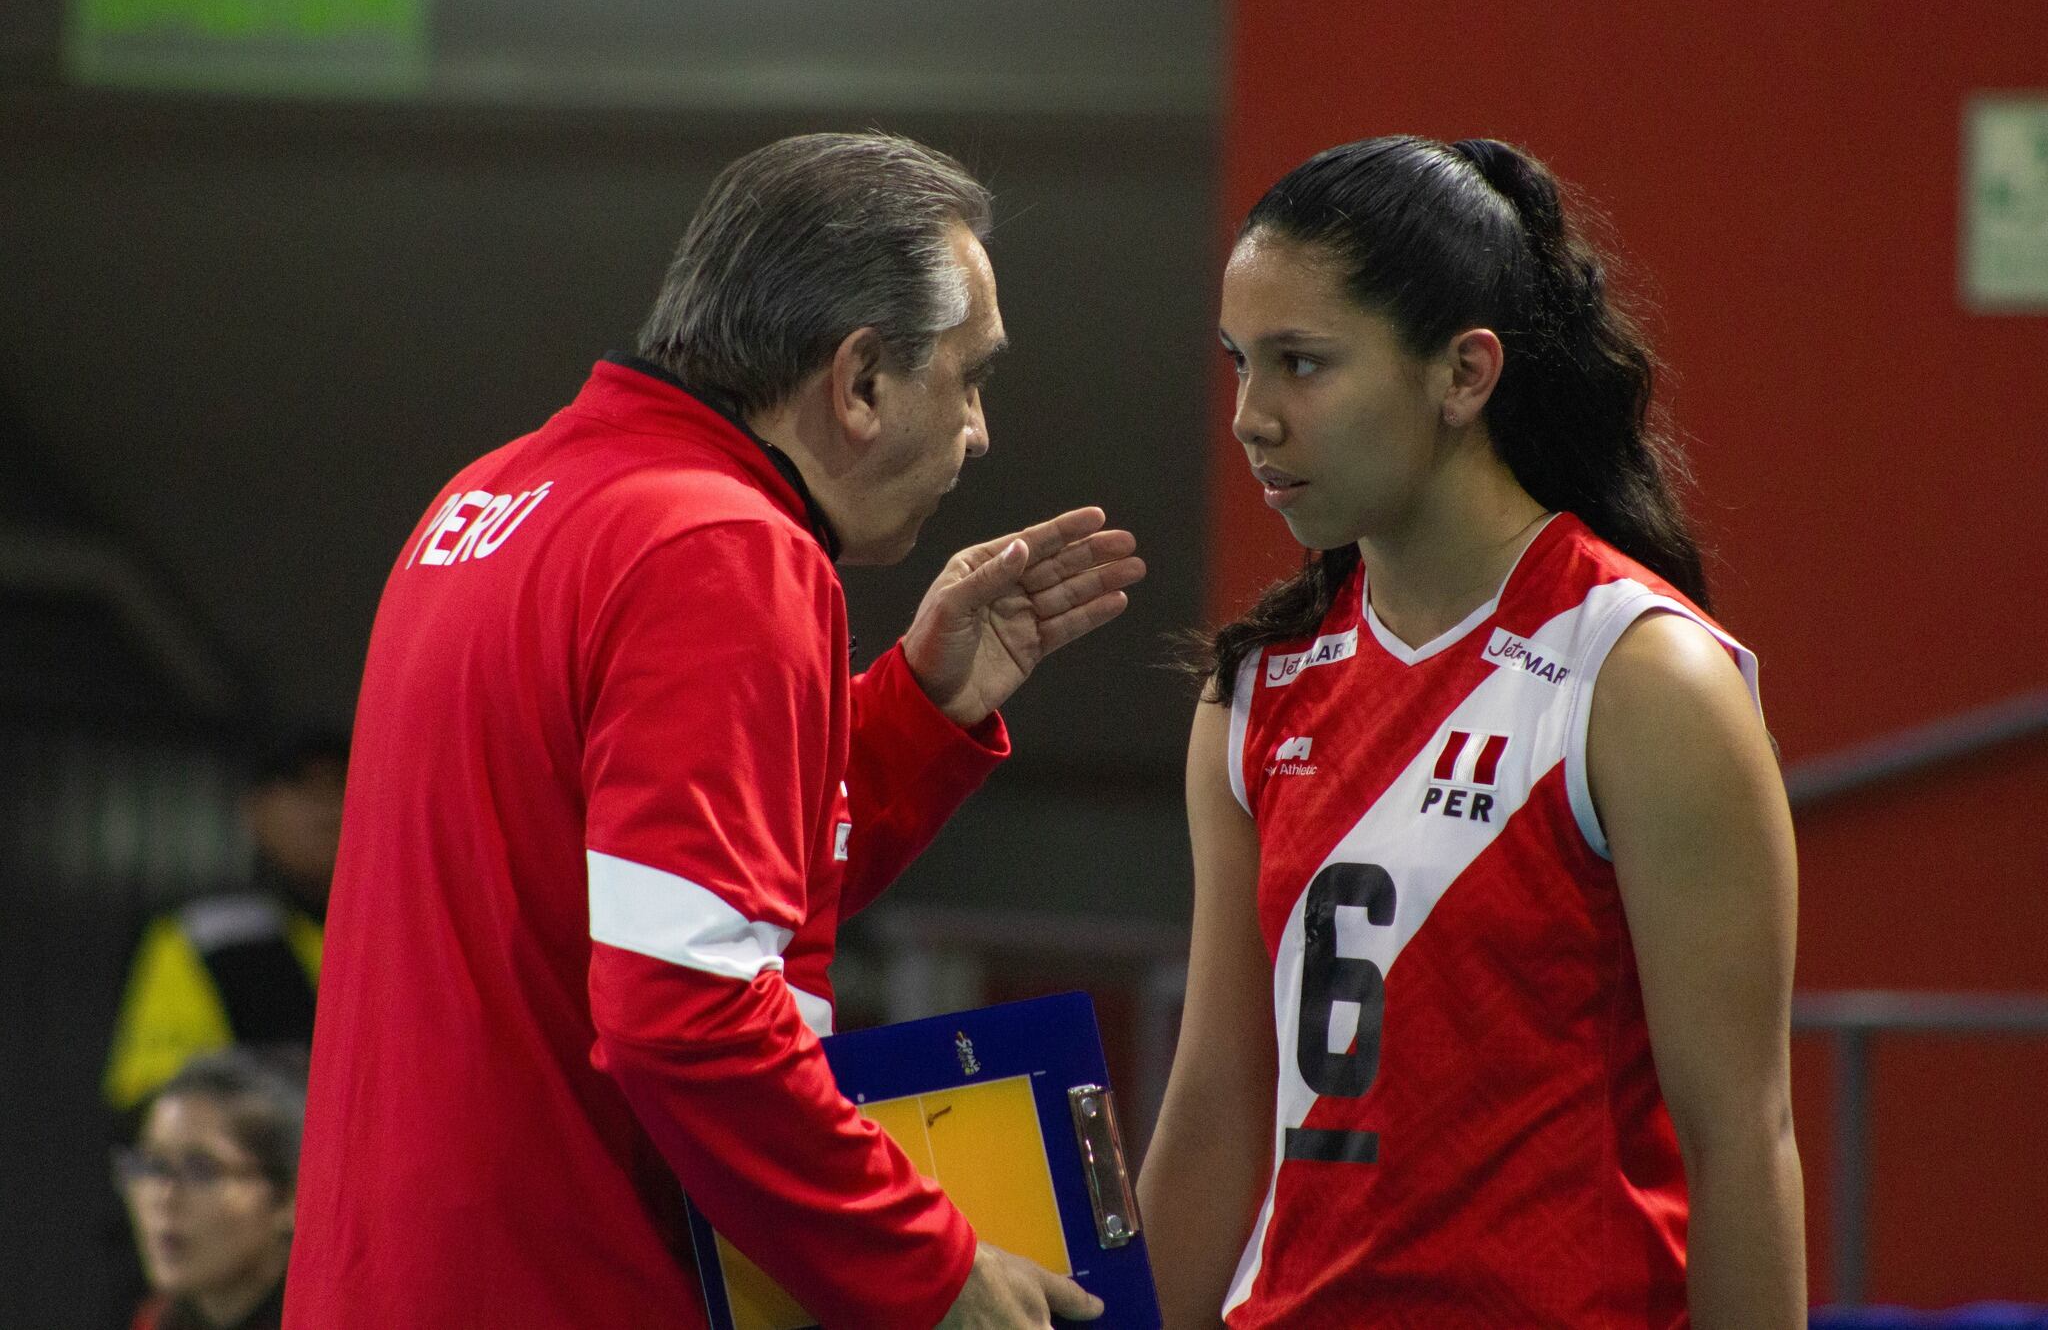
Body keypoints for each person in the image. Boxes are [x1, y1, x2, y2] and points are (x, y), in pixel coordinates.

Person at [284, 133, 1144, 1328]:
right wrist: (929, 1270)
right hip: (572, 1289)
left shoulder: (490, 498)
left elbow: (653, 886)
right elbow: (685, 1008)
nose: (981, 430)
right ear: (857, 383)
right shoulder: (723, 547)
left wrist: (919, 708)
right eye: (969, 377)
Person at [1137, 136, 1803, 1328]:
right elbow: (1211, 1121)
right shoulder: (1253, 689)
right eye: (1239, 363)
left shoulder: (1640, 676)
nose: (1250, 418)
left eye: (1300, 364)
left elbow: (1741, 1140)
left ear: (1462, 374)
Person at [105, 733, 347, 1115]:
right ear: (257, 812)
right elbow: (153, 1096)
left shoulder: (417, 936)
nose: (326, 812)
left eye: (342, 785)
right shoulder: (206, 936)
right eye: (302, 789)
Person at [117, 1049, 306, 1330]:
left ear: (289, 1198)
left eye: (200, 1170)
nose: (164, 1196)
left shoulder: (336, 1318)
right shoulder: (153, 1322)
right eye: (151, 1166)